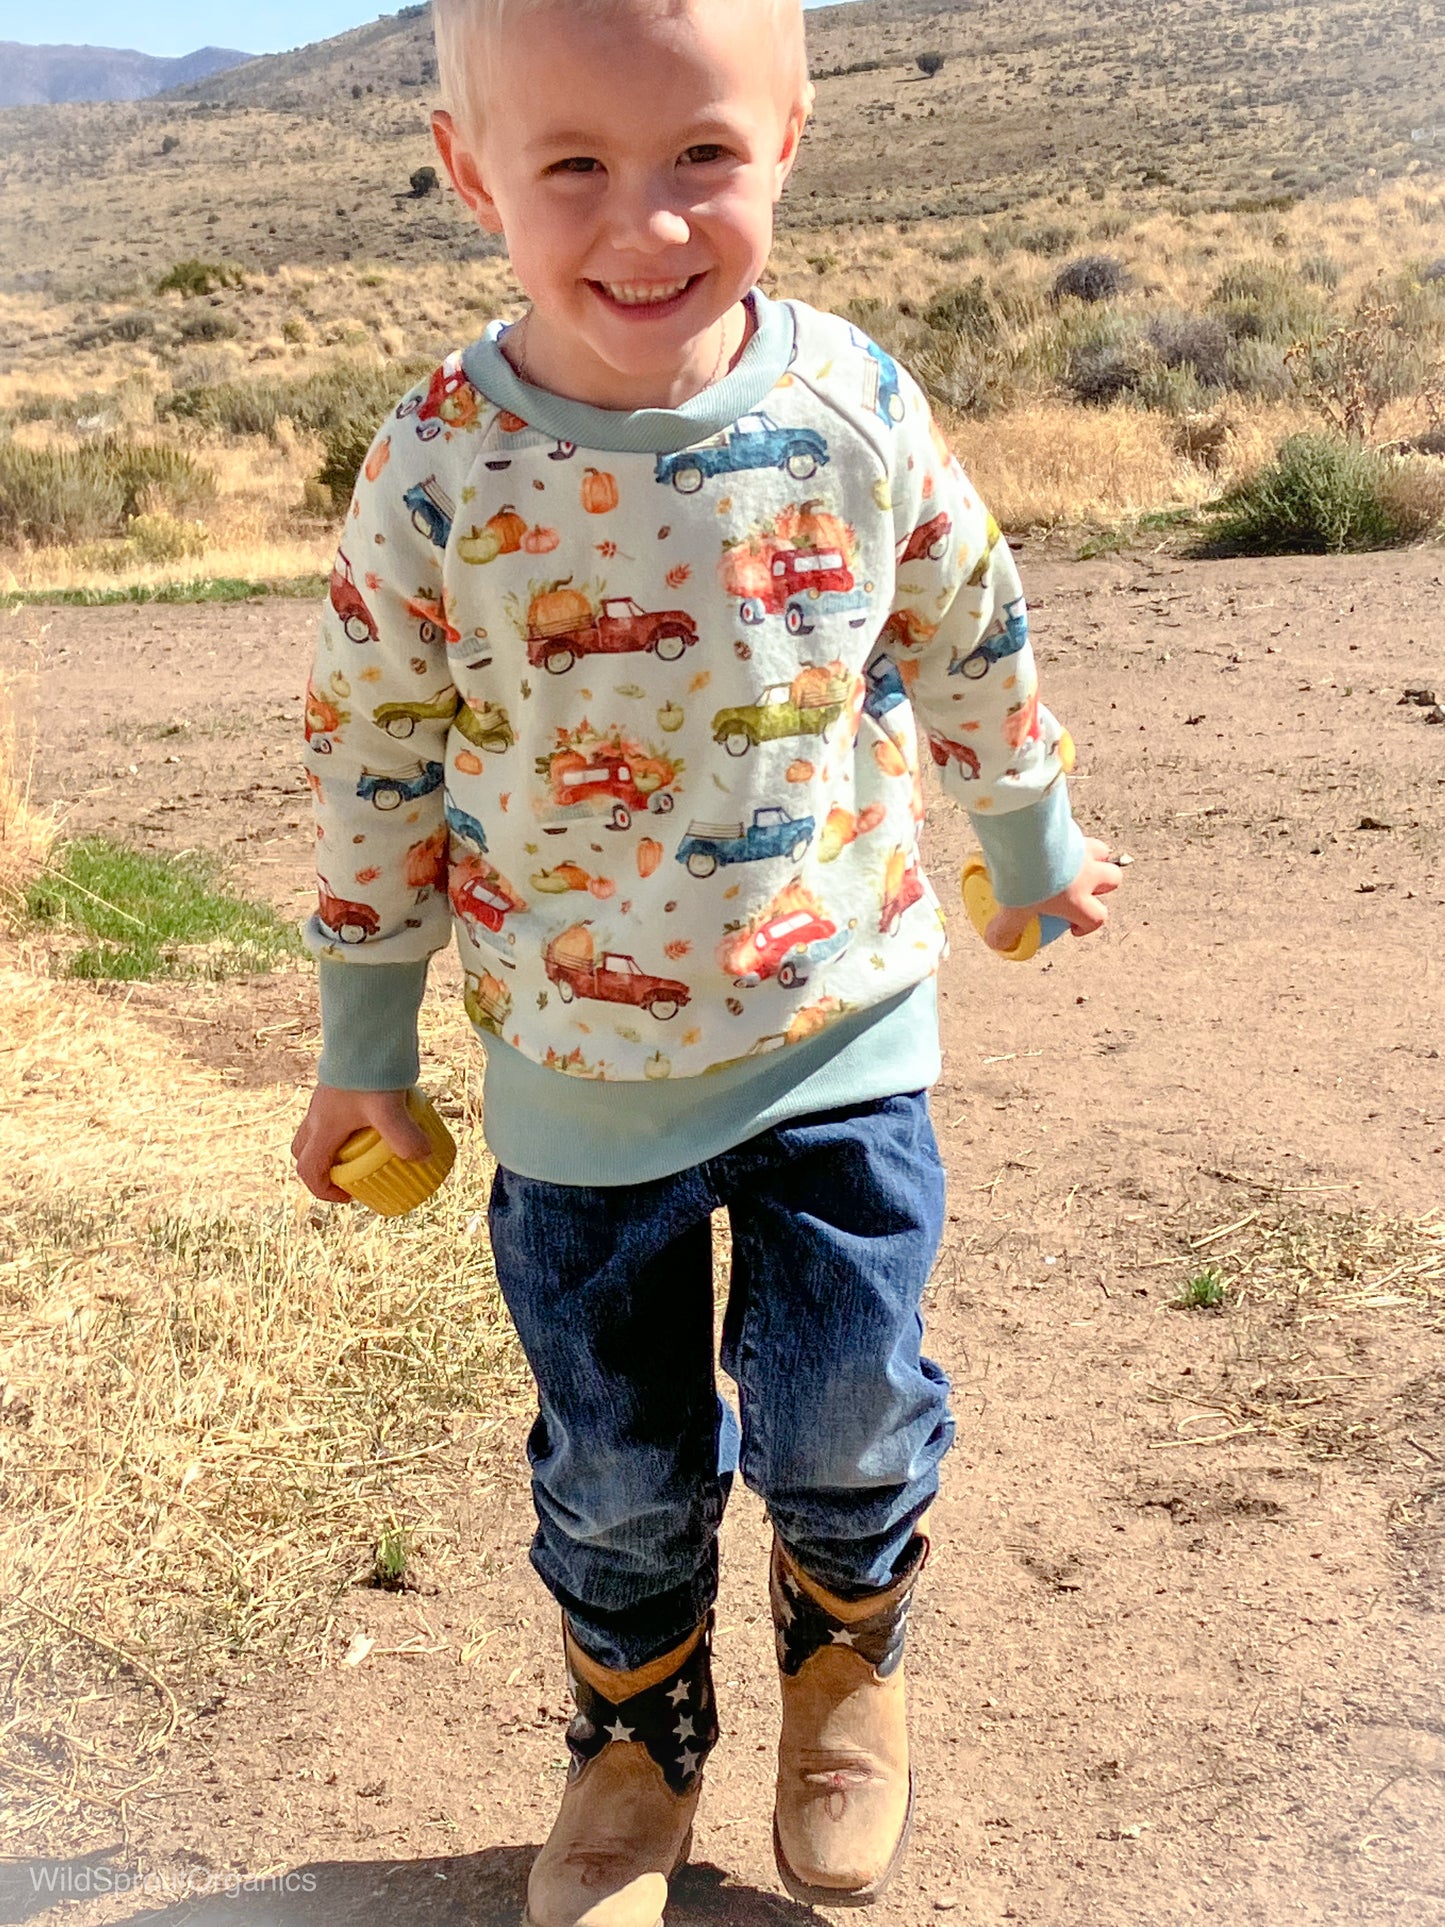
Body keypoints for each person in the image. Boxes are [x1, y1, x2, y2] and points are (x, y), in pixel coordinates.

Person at [291, 1, 1121, 1919]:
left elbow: (967, 627)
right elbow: (372, 757)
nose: (645, 225)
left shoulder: (853, 404)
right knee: (617, 1462)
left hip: (842, 1014)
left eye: (701, 160)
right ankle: (631, 1729)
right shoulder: (439, 462)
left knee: (847, 1408)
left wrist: (1031, 846)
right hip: (576, 1071)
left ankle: (845, 1655)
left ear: (792, 136)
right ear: (466, 166)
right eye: (573, 165)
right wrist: (364, 1041)